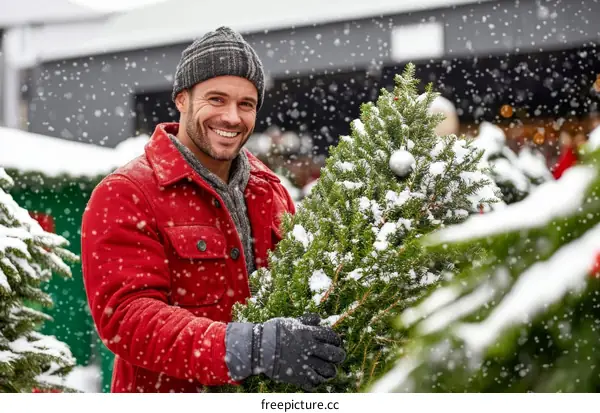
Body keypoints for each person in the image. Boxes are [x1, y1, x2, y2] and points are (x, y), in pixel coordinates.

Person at [81, 26, 345, 393]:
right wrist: (251, 348)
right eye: (216, 99)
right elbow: (127, 319)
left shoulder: (270, 190)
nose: (232, 117)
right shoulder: (126, 194)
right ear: (182, 99)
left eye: (246, 104)